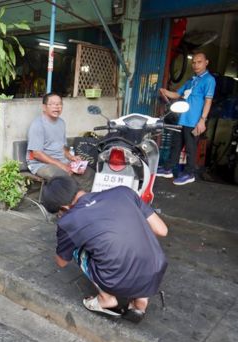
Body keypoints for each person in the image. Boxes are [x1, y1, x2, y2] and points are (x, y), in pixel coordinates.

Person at [40, 176, 168, 323]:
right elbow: (162, 230)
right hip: (156, 270)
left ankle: (106, 299)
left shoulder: (68, 221)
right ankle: (140, 303)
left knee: (76, 249)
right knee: (137, 236)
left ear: (63, 208)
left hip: (117, 280)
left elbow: (61, 262)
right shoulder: (124, 192)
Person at [157, 52, 216, 185]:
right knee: (176, 145)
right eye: (194, 62)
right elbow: (177, 94)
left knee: (190, 148)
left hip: (194, 120)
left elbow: (208, 101)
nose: (196, 65)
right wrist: (165, 92)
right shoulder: (191, 80)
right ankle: (168, 169)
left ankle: (190, 173)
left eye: (199, 62)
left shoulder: (209, 80)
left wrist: (202, 120)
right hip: (182, 119)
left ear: (206, 63)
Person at [26, 92, 94, 191]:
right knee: (65, 177)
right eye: (53, 104)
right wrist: (61, 165)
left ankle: (84, 202)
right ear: (44, 107)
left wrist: (72, 157)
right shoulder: (37, 125)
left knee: (88, 173)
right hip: (40, 165)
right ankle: (66, 204)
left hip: (60, 161)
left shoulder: (61, 123)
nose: (57, 107)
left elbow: (62, 148)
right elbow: (36, 154)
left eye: (59, 104)